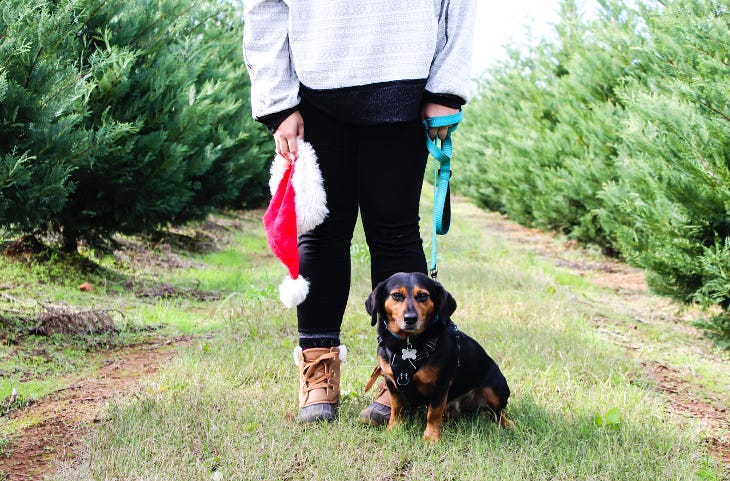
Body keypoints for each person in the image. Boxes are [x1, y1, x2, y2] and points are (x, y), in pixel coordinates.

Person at [243, 0, 476, 424]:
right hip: (314, 89)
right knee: (321, 233)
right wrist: (277, 100)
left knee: (396, 233)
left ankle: (402, 375)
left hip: (405, 82)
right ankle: (319, 371)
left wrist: (446, 88)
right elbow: (265, 6)